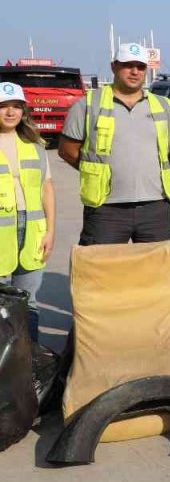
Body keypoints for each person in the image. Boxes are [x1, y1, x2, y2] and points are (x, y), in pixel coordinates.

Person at [59, 44, 170, 245]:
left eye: (140, 66)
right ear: (114, 66)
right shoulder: (88, 104)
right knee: (102, 272)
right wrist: (96, 172)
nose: (134, 71)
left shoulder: (163, 105)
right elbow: (67, 150)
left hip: (155, 206)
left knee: (157, 273)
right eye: (127, 65)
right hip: (106, 208)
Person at [0, 83, 55, 341]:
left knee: (29, 303)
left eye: (15, 107)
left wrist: (51, 231)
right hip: (2, 231)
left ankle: (29, 362)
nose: (10, 112)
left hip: (32, 230)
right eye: (3, 106)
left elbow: (47, 188)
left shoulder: (35, 145)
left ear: (23, 111)